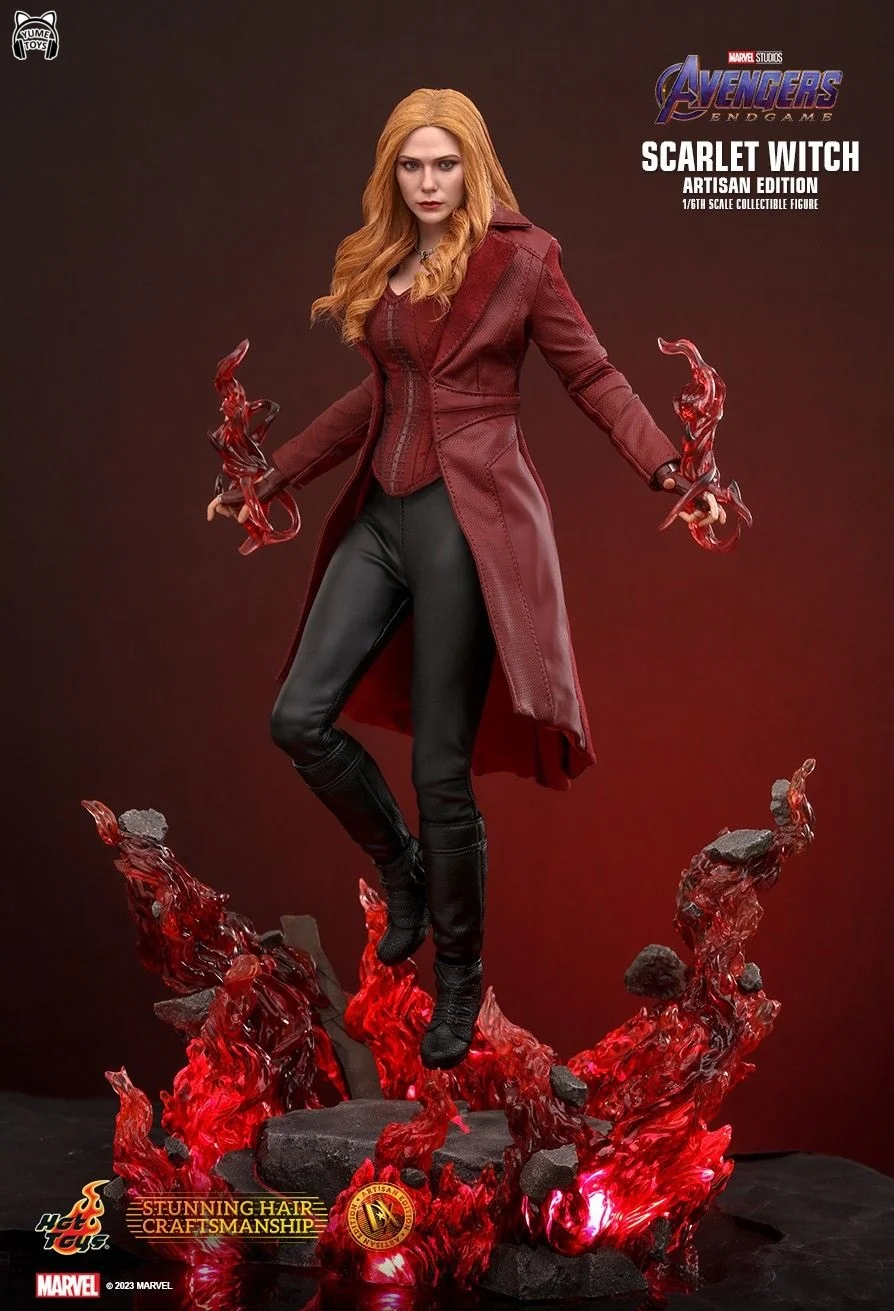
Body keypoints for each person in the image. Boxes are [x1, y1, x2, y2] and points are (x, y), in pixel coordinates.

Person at [206, 88, 725, 1071]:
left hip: (467, 519)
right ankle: (401, 867)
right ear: (391, 173)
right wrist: (273, 477)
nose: (429, 181)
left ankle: (458, 973)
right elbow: (380, 394)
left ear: (474, 165)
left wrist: (670, 469)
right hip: (383, 514)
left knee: (440, 766)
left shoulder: (522, 260)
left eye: (445, 163)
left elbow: (594, 376)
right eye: (412, 165)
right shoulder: (388, 259)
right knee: (298, 717)